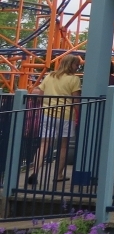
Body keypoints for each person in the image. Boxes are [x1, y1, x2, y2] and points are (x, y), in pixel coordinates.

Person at [31, 53, 82, 184]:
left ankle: (35, 172)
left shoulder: (50, 76)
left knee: (44, 144)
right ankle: (58, 174)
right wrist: (79, 115)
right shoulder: (74, 79)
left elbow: (41, 94)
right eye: (76, 64)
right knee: (63, 146)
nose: (78, 67)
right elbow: (76, 100)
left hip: (47, 114)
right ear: (70, 64)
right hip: (65, 116)